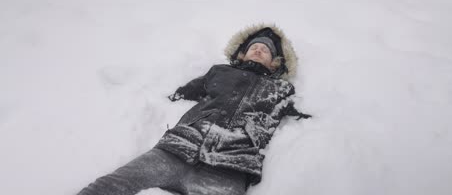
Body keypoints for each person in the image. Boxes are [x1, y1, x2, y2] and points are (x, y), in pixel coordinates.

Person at [77, 24, 311, 195]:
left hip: (230, 165)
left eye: (266, 50)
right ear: (242, 53)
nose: (259, 50)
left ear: (275, 62)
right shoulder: (220, 72)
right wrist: (174, 95)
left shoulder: (280, 89)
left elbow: (298, 114)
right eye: (254, 47)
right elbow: (191, 89)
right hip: (178, 148)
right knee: (112, 185)